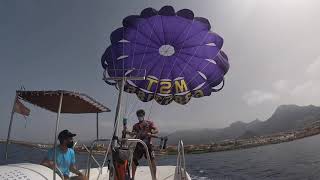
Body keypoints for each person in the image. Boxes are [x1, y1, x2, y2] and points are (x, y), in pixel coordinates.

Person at [128, 109, 159, 179]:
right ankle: (132, 178)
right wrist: (128, 132)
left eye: (141, 115)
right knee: (134, 160)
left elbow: (156, 130)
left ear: (143, 115)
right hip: (138, 145)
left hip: (148, 145)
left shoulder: (149, 123)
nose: (139, 116)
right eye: (138, 115)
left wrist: (151, 133)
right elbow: (132, 134)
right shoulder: (135, 126)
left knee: (152, 160)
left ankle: (154, 177)